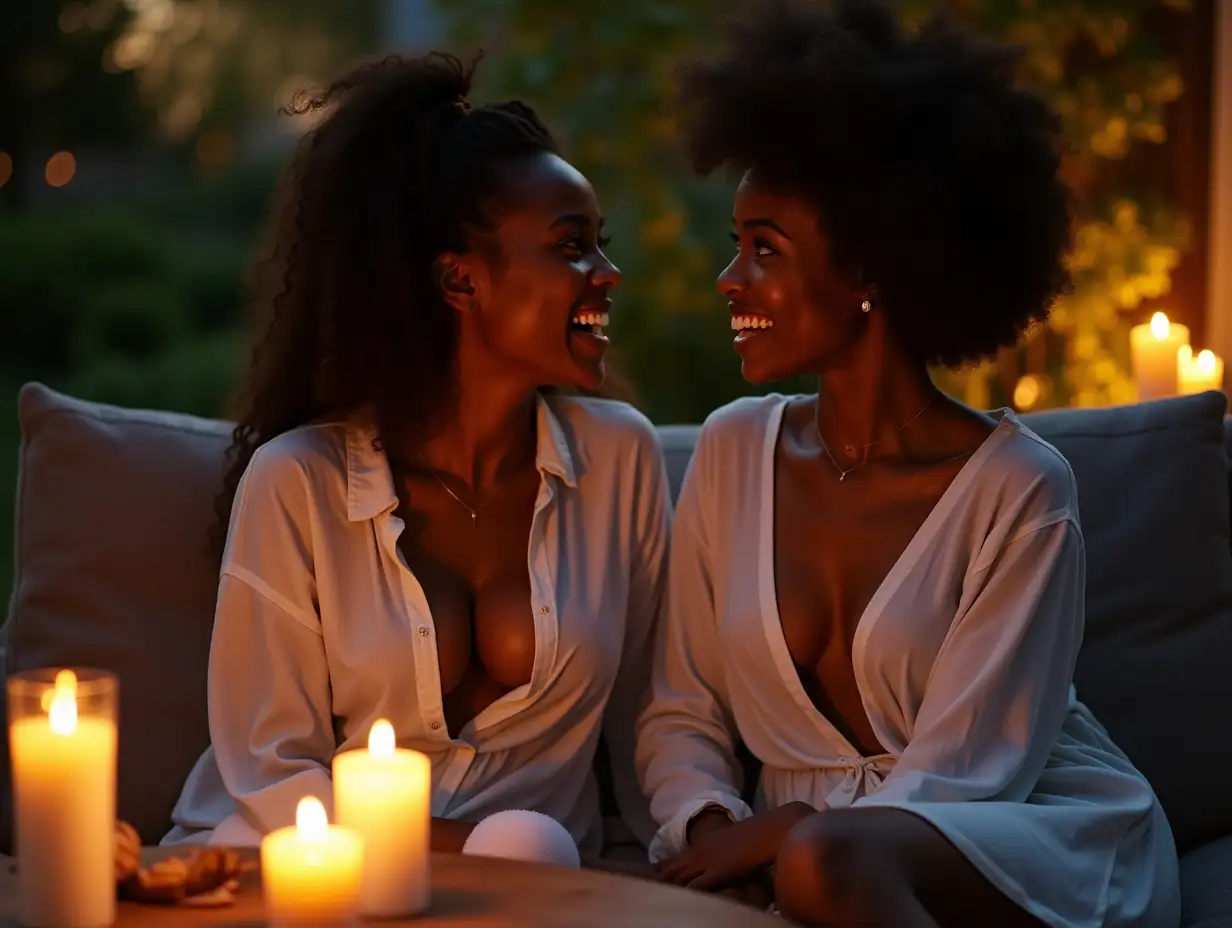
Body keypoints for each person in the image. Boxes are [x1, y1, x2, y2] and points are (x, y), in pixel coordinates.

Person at [635, 1, 1181, 924]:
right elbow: (678, 710)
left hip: (1022, 830)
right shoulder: (732, 450)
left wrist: (792, 833)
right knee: (821, 859)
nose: (731, 280)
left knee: (826, 860)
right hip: (822, 855)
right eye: (737, 247)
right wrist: (712, 824)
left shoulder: (1019, 490)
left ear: (870, 270)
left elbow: (973, 770)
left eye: (763, 249)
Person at [163, 51, 667, 862]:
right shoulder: (299, 481)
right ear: (461, 283)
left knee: (528, 845)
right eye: (572, 247)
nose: (607, 275)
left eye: (599, 245)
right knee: (517, 848)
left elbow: (656, 712)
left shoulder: (620, 462)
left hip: (531, 876)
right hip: (316, 857)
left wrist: (695, 838)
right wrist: (463, 854)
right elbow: (271, 768)